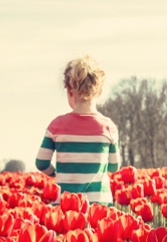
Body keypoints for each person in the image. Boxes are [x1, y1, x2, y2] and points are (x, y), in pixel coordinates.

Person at [35, 55, 120, 205]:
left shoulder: (57, 125)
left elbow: (41, 162)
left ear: (69, 90)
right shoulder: (108, 127)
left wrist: (56, 174)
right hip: (99, 204)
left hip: (65, 205)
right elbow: (114, 166)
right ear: (99, 91)